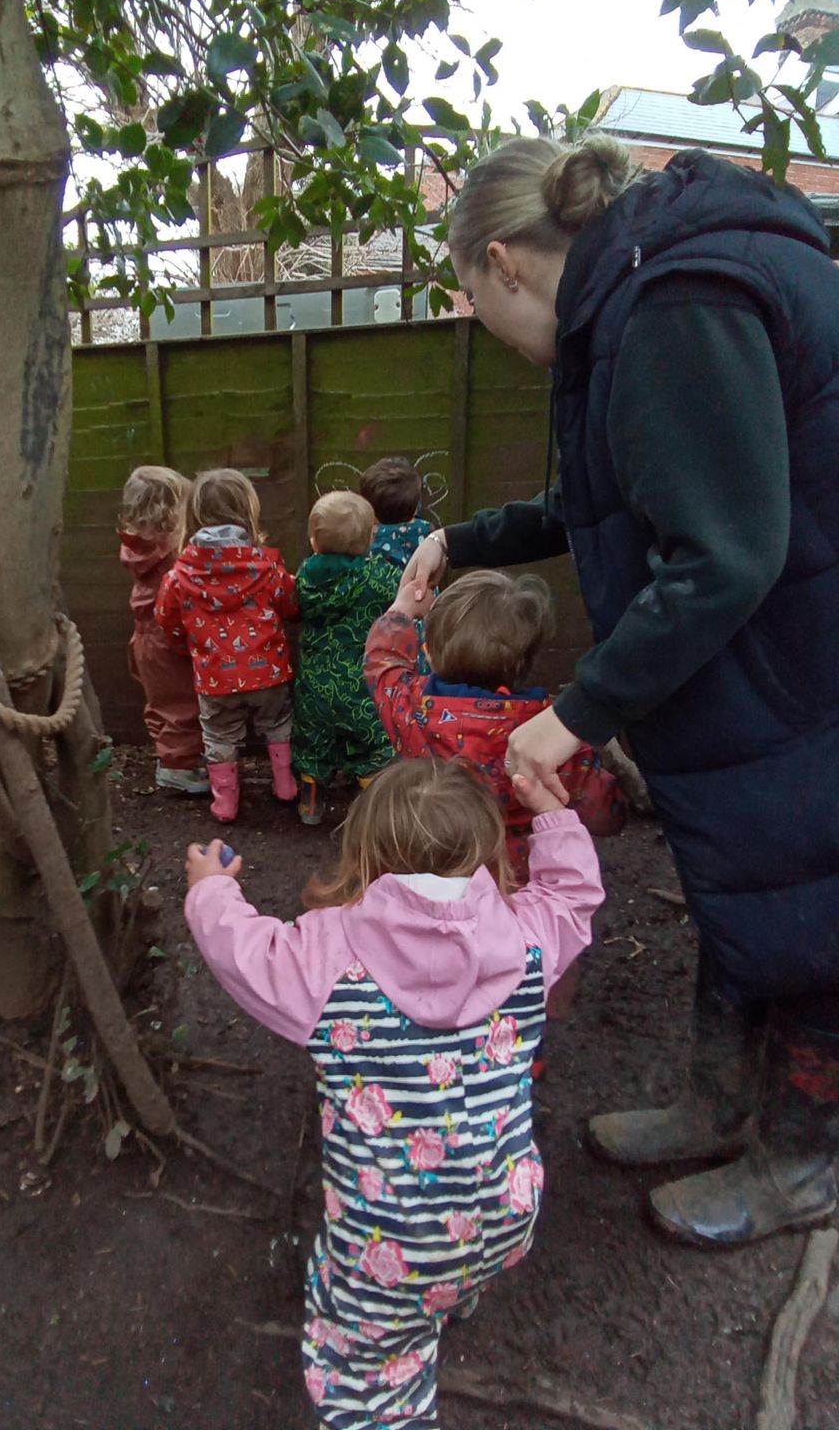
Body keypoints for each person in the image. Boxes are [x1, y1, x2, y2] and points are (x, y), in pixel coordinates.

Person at [400, 134, 839, 1246]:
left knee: (813, 905)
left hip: (808, 658)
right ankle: (718, 1103)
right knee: (754, 883)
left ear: (504, 262)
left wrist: (578, 711)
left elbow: (726, 556)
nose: (484, 327)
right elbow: (616, 491)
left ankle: (803, 1162)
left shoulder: (677, 303)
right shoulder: (629, 301)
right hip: (780, 656)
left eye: (471, 299)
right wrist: (465, 538)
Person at [183, 757, 604, 1429]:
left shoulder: (325, 960)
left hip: (392, 1246)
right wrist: (554, 817)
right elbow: (572, 897)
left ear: (365, 854)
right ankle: (451, 1291)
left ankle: (389, 1388)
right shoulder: (527, 941)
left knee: (367, 1368)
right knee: (453, 1261)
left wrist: (211, 892)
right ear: (488, 852)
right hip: (506, 1211)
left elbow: (246, 952)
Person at [365, 567, 625, 877]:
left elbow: (382, 661)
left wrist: (401, 611)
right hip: (519, 882)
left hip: (435, 870)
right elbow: (603, 813)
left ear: (428, 654)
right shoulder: (550, 735)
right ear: (528, 662)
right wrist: (618, 799)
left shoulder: (409, 706)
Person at [155, 468, 298, 823]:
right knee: (277, 722)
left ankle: (225, 804)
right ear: (248, 512)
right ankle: (285, 785)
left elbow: (165, 618)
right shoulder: (267, 565)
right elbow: (290, 603)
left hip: (215, 676)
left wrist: (186, 645)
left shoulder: (179, 575)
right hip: (268, 672)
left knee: (220, 735)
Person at [292, 491, 399, 826]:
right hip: (361, 687)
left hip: (315, 686)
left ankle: (310, 802)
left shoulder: (305, 576)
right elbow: (403, 593)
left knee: (312, 744)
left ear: (313, 540)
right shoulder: (378, 577)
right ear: (369, 539)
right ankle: (372, 804)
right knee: (372, 745)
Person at [117, 465, 208, 795]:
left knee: (161, 703)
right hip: (165, 636)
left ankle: (171, 759)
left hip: (144, 638)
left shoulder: (136, 547)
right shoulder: (170, 551)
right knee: (182, 705)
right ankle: (178, 768)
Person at [361, 455, 437, 676]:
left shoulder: (367, 539)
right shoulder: (430, 534)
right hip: (426, 616)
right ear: (415, 507)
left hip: (388, 623)